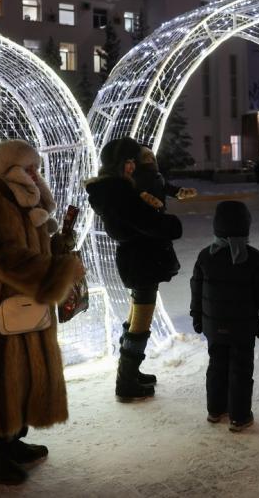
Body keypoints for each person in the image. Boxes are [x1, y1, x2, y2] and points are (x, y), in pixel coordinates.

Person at [0, 139, 86, 486]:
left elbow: (30, 248)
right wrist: (60, 272)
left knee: (24, 374)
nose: (35, 173)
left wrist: (58, 249)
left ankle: (11, 441)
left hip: (22, 299)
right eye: (28, 168)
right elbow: (5, 258)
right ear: (9, 170)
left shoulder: (21, 201)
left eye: (35, 167)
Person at [86, 136, 183, 401]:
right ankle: (126, 382)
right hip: (141, 261)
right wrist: (171, 224)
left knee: (136, 318)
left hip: (138, 260)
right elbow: (144, 223)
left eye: (133, 162)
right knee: (140, 322)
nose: (132, 167)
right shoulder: (118, 191)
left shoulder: (116, 188)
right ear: (118, 164)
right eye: (128, 162)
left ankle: (130, 372)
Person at [190, 200, 259, 432]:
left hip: (213, 327)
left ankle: (215, 410)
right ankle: (239, 416)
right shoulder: (254, 258)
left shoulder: (205, 256)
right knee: (241, 369)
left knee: (216, 366)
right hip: (242, 329)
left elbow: (196, 289)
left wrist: (196, 316)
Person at [133, 145, 198, 211]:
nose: (150, 159)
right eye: (146, 157)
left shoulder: (157, 176)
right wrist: (149, 199)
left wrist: (180, 192)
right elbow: (137, 191)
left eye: (152, 157)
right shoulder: (138, 176)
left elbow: (165, 187)